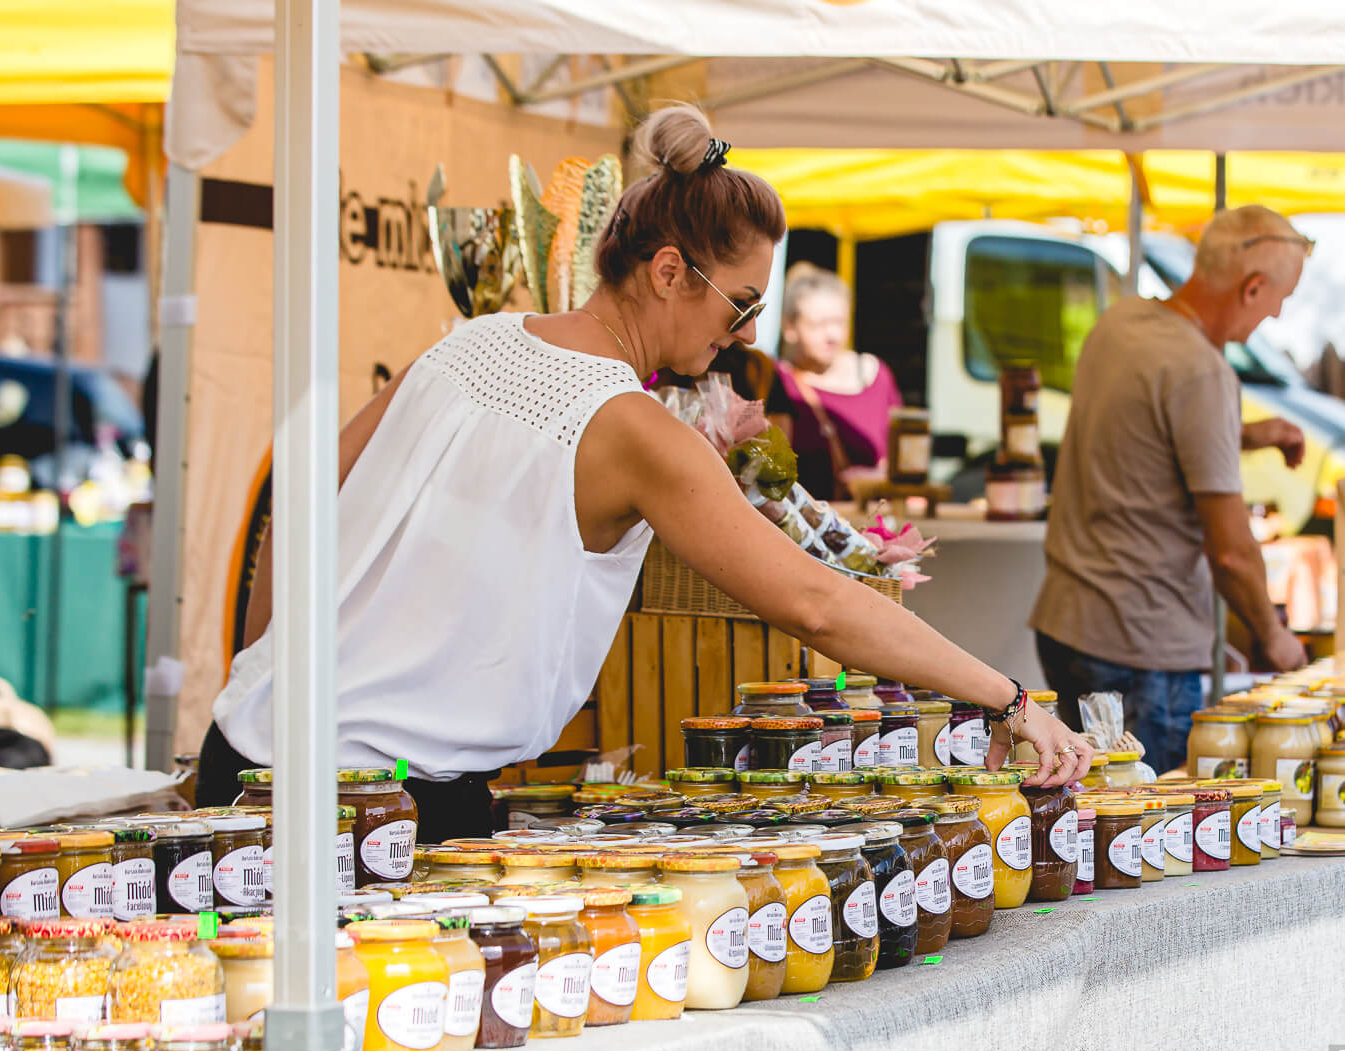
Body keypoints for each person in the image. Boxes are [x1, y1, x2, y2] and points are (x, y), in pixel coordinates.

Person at [195, 105, 1092, 837]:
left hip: (244, 758)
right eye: (742, 305)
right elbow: (814, 602)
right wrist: (1009, 696)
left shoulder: (468, 342)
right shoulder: (631, 426)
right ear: (669, 272)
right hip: (375, 807)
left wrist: (259, 679)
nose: (744, 335)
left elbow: (303, 491)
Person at [1029, 205, 1311, 774]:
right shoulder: (1202, 371)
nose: (1276, 316)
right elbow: (1231, 552)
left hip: (1069, 625)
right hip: (1142, 651)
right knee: (1150, 841)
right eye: (1278, 300)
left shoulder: (1121, 325)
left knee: (1091, 825)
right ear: (1252, 287)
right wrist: (1274, 635)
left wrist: (1254, 433)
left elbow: (1151, 433)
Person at [764, 263, 900, 500]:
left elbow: (901, 460)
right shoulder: (777, 381)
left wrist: (875, 478)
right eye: (818, 324)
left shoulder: (875, 375)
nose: (832, 335)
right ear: (790, 327)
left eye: (839, 322)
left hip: (870, 522)